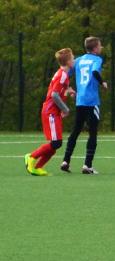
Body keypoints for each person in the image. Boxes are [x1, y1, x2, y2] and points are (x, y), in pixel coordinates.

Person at [61, 36, 108, 174]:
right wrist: (102, 83)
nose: (100, 48)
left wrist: (69, 88)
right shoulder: (97, 60)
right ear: (94, 48)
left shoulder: (79, 60)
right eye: (99, 46)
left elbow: (64, 73)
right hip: (92, 101)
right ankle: (87, 165)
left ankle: (66, 161)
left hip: (80, 100)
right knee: (93, 132)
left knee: (76, 131)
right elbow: (94, 72)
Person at [25, 48, 76, 176]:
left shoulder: (64, 74)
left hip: (54, 112)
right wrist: (65, 108)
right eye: (73, 58)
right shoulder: (62, 75)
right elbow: (54, 95)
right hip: (50, 112)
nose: (74, 60)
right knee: (56, 143)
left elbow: (61, 89)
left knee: (56, 143)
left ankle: (38, 167)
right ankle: (31, 157)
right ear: (68, 62)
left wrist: (69, 90)